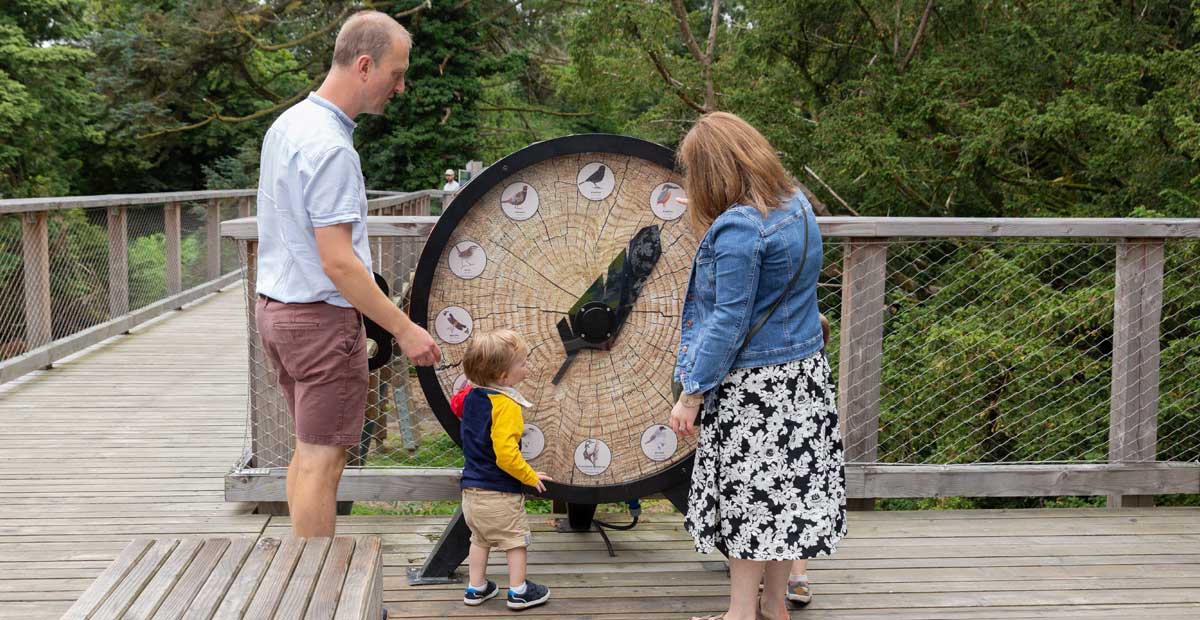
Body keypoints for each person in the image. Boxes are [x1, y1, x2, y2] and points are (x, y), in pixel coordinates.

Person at [254, 10, 441, 539]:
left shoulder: (288, 125)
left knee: (308, 454)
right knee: (324, 464)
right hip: (318, 323)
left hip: (278, 312)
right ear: (364, 65)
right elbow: (338, 261)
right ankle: (317, 597)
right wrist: (405, 329)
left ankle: (300, 578)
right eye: (396, 73)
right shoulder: (332, 148)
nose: (400, 87)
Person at [669, 112, 847, 620]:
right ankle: (774, 607)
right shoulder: (796, 206)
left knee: (749, 504)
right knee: (782, 500)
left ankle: (739, 614)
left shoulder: (738, 231)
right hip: (803, 376)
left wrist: (691, 393)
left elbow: (727, 321)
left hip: (756, 388)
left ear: (712, 172)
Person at [458, 329, 553, 611]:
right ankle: (519, 591)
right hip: (499, 493)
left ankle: (476, 589)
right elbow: (506, 456)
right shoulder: (507, 405)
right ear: (502, 377)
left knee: (479, 540)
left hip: (471, 493)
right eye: (523, 364)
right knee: (515, 542)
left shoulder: (472, 397)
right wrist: (530, 476)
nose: (527, 368)